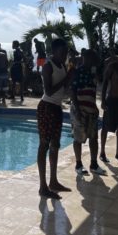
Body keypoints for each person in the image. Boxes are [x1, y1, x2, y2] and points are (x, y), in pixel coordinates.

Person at [37, 38, 74, 199]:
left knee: (55, 145)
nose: (65, 55)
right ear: (54, 51)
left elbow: (64, 89)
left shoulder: (63, 66)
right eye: (62, 52)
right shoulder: (47, 66)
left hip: (57, 108)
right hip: (46, 107)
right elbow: (49, 91)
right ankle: (42, 186)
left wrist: (71, 77)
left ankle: (53, 181)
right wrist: (66, 79)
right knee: (44, 145)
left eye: (66, 52)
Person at [70, 50, 106, 176]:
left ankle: (94, 164)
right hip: (79, 110)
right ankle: (78, 164)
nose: (94, 61)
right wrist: (78, 111)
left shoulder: (93, 73)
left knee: (93, 138)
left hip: (91, 110)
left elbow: (96, 86)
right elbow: (73, 92)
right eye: (92, 58)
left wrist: (95, 73)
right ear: (85, 58)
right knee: (78, 138)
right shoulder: (77, 72)